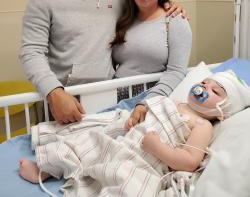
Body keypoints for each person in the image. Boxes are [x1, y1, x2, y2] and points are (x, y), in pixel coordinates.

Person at [20, 0, 186, 125]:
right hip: (66, 99)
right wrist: (54, 92)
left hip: (111, 96)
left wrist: (169, 4)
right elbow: (32, 52)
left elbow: (147, 4)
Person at [19, 70, 250, 196]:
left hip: (144, 157)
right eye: (204, 82)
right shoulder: (175, 102)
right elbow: (150, 111)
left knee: (125, 180)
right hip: (127, 137)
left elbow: (189, 162)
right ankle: (46, 169)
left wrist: (157, 147)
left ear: (223, 112)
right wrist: (134, 118)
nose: (203, 88)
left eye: (216, 91)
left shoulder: (202, 125)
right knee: (87, 140)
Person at [111, 0, 192, 115]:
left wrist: (146, 103)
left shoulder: (175, 19)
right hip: (115, 100)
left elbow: (176, 72)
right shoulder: (125, 16)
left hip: (150, 103)